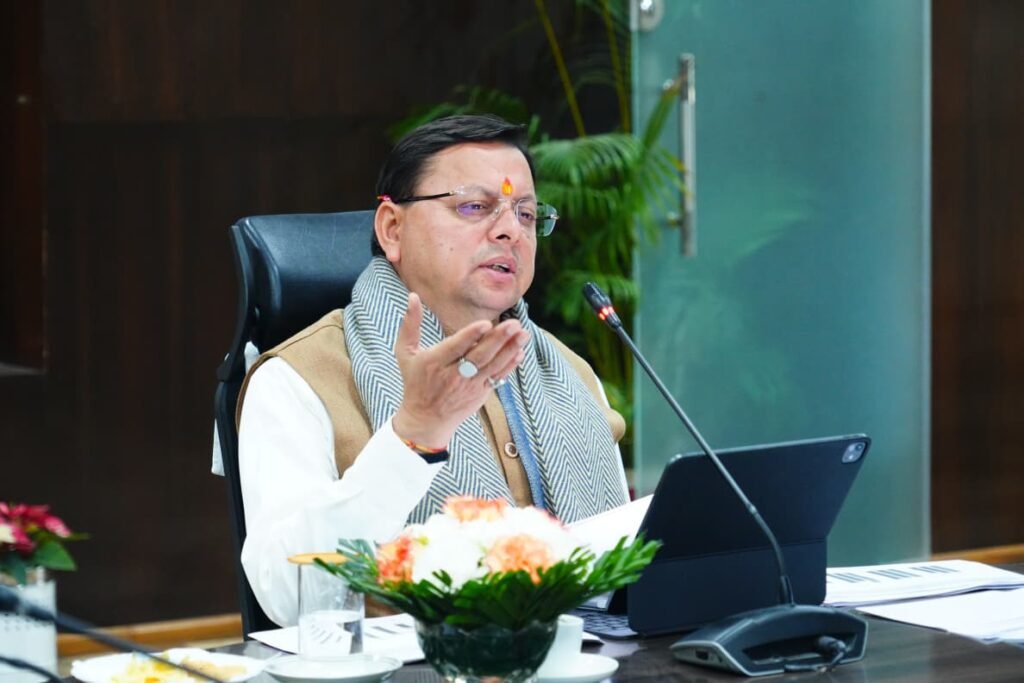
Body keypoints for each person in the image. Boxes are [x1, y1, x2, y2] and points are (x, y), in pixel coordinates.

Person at [237, 114, 629, 626]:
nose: (510, 230)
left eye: (527, 214)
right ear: (392, 229)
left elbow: (623, 568)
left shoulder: (571, 374)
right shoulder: (297, 378)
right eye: (474, 207)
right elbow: (290, 596)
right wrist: (413, 437)